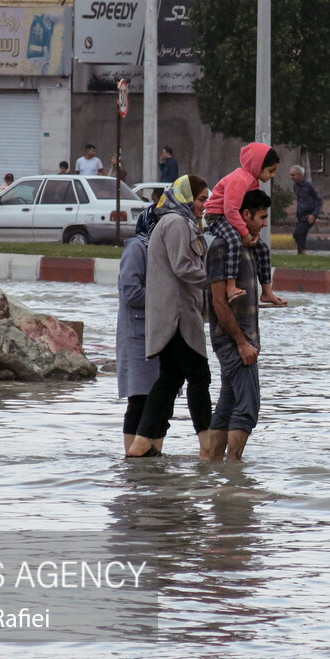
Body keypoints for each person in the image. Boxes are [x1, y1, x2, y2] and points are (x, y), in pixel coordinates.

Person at [127, 175, 214, 459]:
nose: (204, 205)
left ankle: (141, 444)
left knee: (170, 379)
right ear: (187, 197)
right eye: (201, 199)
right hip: (177, 318)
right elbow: (183, 266)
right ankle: (208, 448)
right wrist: (216, 281)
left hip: (175, 317)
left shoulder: (179, 222)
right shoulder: (176, 223)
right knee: (199, 376)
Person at [204, 189, 271, 462]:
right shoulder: (223, 246)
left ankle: (212, 463)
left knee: (228, 404)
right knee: (247, 406)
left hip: (245, 338)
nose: (265, 223)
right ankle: (234, 469)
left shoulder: (245, 247)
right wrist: (242, 343)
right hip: (233, 339)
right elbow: (219, 303)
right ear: (245, 215)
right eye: (262, 217)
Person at [116, 206, 171, 458]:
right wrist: (164, 298)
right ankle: (134, 458)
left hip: (163, 334)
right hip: (138, 337)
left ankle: (153, 457)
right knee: (139, 400)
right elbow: (130, 291)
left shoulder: (164, 250)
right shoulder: (136, 249)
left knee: (163, 401)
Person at [204, 143, 286, 307]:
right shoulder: (240, 179)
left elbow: (249, 214)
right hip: (217, 216)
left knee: (262, 248)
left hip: (232, 218)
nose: (272, 175)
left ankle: (266, 291)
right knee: (234, 241)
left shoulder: (253, 182)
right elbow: (230, 209)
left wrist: (255, 235)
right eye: (270, 170)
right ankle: (231, 286)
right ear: (258, 166)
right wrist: (243, 232)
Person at [289, 165, 324, 255]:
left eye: (293, 175)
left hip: (309, 215)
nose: (291, 178)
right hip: (300, 214)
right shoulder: (295, 186)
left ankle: (302, 252)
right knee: (301, 235)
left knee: (297, 233)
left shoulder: (309, 186)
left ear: (300, 175)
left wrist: (314, 214)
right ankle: (301, 254)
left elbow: (319, 200)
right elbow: (299, 200)